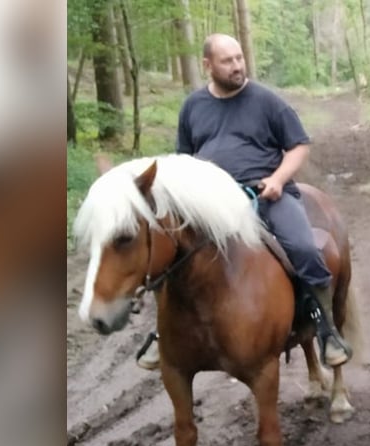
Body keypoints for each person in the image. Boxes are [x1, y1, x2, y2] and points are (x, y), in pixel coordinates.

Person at [137, 33, 351, 370]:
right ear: (207, 65)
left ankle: (325, 328)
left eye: (239, 58)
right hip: (212, 204)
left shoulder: (267, 101)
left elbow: (298, 146)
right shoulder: (193, 106)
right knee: (168, 255)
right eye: (228, 60)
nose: (237, 66)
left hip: (266, 195)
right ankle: (164, 334)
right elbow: (184, 159)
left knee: (305, 249)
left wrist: (278, 180)